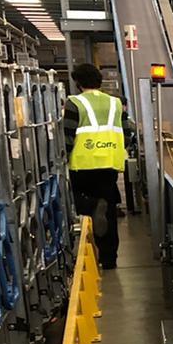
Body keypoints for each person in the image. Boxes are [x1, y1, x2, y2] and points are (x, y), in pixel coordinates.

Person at [61, 62, 131, 269]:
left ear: (78, 82)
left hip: (82, 165)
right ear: (99, 81)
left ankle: (91, 206)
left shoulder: (74, 103)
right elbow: (126, 133)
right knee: (109, 211)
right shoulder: (116, 103)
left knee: (77, 201)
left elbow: (68, 136)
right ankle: (109, 260)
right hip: (109, 165)